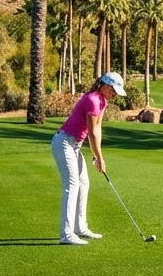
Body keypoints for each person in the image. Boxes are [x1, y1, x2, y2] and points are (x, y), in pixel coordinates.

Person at [51, 71, 126, 245]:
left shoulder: (102, 101)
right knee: (72, 186)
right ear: (104, 86)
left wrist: (98, 155)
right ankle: (66, 234)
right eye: (113, 90)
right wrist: (99, 158)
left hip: (74, 145)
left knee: (83, 183)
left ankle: (80, 228)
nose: (114, 94)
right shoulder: (92, 100)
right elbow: (91, 134)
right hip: (64, 142)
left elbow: (97, 130)